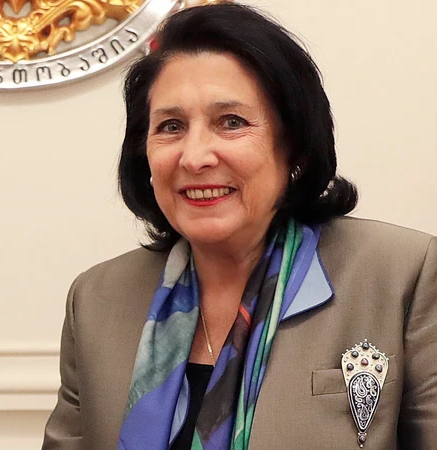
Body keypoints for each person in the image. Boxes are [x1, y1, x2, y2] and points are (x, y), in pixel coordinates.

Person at [42, 3, 437, 450]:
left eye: (231, 123)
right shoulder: (96, 300)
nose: (195, 157)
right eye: (171, 126)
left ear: (294, 145)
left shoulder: (403, 275)